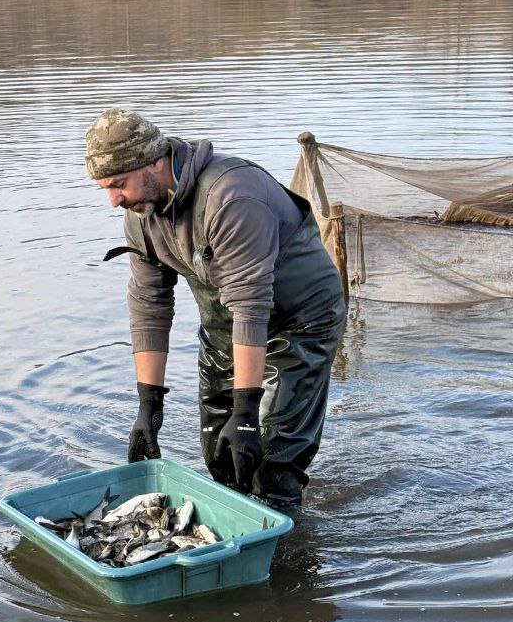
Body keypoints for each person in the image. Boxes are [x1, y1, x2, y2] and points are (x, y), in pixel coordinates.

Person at [85, 108, 346, 512]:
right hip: (226, 326)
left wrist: (246, 412)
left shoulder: (231, 194)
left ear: (155, 162)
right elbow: (149, 305)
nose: (113, 201)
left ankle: (284, 540)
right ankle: (235, 529)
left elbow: (251, 305)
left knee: (272, 462)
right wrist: (149, 407)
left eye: (119, 185)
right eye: (105, 188)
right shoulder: (141, 213)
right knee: (222, 457)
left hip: (300, 321)